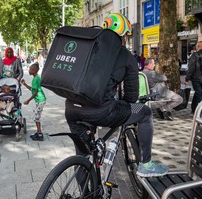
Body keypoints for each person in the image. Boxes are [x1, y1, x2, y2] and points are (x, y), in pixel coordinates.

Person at [65, 13, 169, 177]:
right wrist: (123, 103)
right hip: (101, 111)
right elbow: (131, 96)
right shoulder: (126, 56)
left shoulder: (90, 49)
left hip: (72, 108)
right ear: (123, 36)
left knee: (82, 155)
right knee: (145, 113)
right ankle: (146, 164)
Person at [184, 41, 202, 114]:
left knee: (198, 93)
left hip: (196, 78)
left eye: (196, 46)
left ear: (198, 46)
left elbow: (191, 68)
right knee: (197, 92)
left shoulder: (194, 55)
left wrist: (187, 78)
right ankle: (193, 109)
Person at [21, 63, 46, 141]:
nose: (29, 70)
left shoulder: (36, 79)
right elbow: (33, 89)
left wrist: (28, 100)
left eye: (30, 69)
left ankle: (39, 134)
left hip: (40, 100)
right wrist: (24, 84)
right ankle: (38, 132)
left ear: (34, 71)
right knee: (36, 117)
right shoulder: (36, 77)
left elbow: (35, 93)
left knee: (36, 117)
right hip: (40, 100)